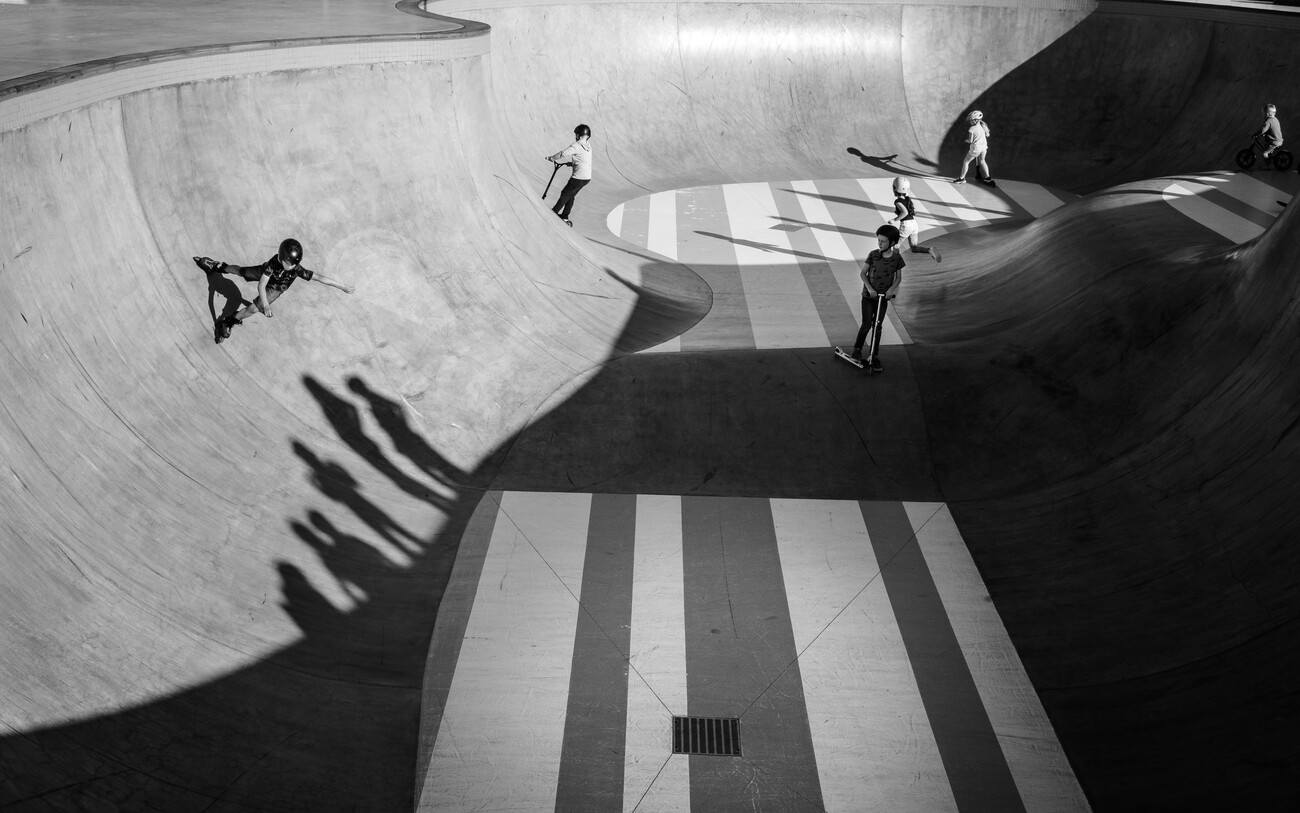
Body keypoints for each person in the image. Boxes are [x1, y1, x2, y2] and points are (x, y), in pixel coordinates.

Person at [193, 238, 354, 344]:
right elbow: (261, 285)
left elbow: (320, 278)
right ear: (281, 257)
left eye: (294, 264)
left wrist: (342, 286)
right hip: (264, 274)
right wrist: (267, 306)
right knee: (241, 271)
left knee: (254, 309)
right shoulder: (272, 264)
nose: (292, 267)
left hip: (276, 288)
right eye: (289, 263)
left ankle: (228, 322)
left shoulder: (296, 269)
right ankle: (218, 266)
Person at [851, 224, 905, 373]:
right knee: (867, 324)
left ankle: (873, 355)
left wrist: (890, 290)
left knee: (878, 326)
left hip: (883, 298)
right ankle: (857, 349)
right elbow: (863, 274)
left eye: (883, 241)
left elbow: (898, 278)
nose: (879, 243)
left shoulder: (897, 258)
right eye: (878, 240)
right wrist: (869, 288)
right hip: (869, 296)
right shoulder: (873, 254)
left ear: (892, 243)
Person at [547, 123, 593, 225]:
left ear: (578, 135)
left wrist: (552, 158)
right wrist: (572, 164)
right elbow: (583, 159)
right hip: (586, 178)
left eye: (576, 134)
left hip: (579, 176)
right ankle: (565, 216)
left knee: (565, 193)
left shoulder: (576, 145)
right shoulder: (588, 146)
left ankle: (554, 212)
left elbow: (563, 154)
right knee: (571, 195)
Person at [889, 176, 942, 263]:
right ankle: (929, 250)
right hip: (914, 224)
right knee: (913, 247)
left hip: (906, 226)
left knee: (895, 246)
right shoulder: (908, 198)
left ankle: (896, 264)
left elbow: (905, 212)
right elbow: (914, 212)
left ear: (895, 188)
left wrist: (894, 220)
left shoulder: (898, 201)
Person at [954, 110, 994, 187]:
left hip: (976, 148)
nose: (970, 122)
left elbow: (971, 141)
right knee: (982, 161)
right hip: (984, 147)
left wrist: (967, 140)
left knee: (966, 162)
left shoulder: (972, 128)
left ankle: (962, 178)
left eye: (971, 120)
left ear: (976, 120)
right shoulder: (982, 126)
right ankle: (988, 177)